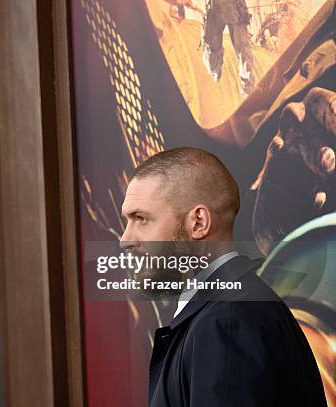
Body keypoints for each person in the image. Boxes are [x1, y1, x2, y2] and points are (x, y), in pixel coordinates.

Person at [119, 147, 327, 406]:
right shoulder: (229, 311)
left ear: (198, 223)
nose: (125, 239)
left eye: (141, 219)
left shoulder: (227, 320)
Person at [202, 0, 255, 95]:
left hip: (235, 7)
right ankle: (215, 72)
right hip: (216, 9)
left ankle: (248, 88)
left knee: (243, 50)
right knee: (212, 59)